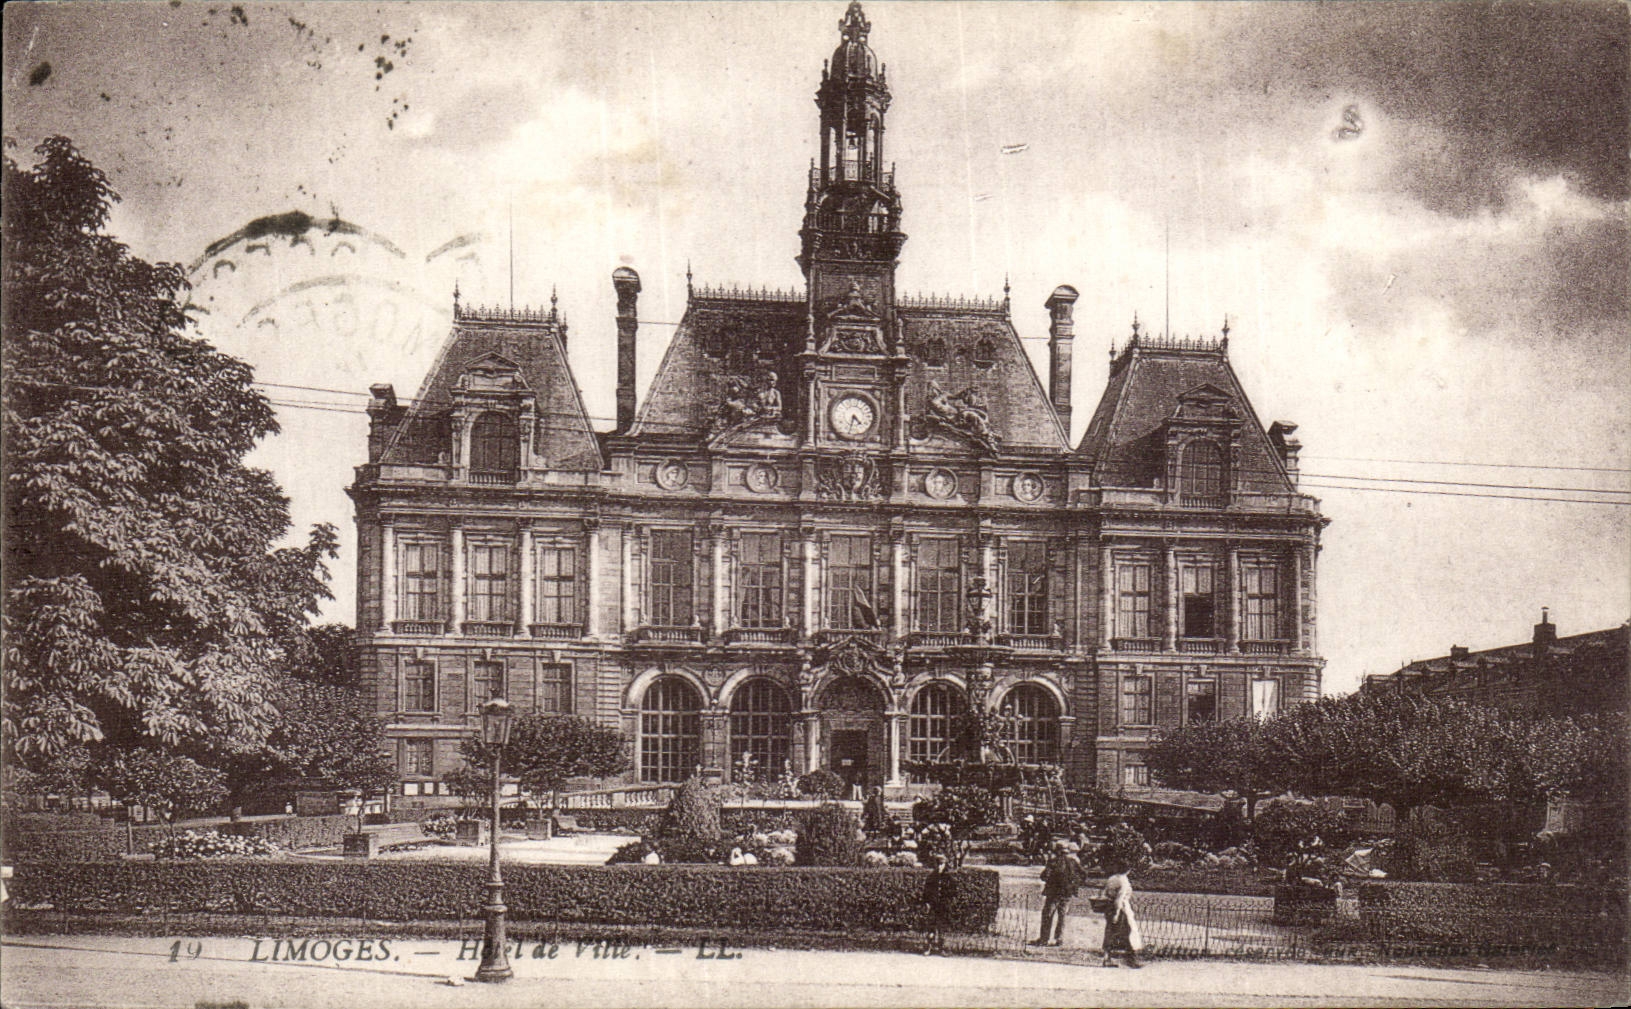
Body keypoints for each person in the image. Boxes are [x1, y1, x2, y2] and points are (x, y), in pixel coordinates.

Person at [1031, 841, 1083, 946]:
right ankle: (1059, 939)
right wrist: (1074, 885)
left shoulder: (1053, 862)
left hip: (1053, 893)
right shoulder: (1073, 862)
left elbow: (1044, 876)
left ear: (1057, 851)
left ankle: (1044, 939)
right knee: (1062, 916)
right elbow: (1083, 874)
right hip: (1067, 893)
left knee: (1048, 915)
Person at [1099, 860, 1144, 968]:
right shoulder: (1123, 881)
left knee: (1111, 932)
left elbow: (1104, 892)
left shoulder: (1112, 878)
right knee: (1127, 932)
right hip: (1120, 909)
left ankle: (1108, 958)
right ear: (1128, 870)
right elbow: (1119, 899)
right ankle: (1130, 959)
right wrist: (1117, 913)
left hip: (1109, 906)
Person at [921, 853, 954, 956]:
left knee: (942, 928)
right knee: (931, 927)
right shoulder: (931, 877)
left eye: (942, 864)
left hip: (943, 906)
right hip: (933, 906)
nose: (940, 866)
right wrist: (927, 903)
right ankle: (928, 948)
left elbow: (952, 892)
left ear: (945, 864)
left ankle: (942, 948)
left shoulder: (948, 877)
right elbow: (926, 892)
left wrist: (948, 902)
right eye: (938, 864)